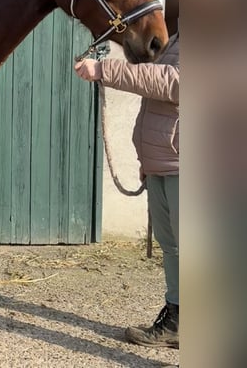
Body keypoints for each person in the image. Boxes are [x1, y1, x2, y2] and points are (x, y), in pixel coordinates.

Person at [73, 28, 179, 349]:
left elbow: (172, 83)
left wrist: (106, 70)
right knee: (172, 247)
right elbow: (154, 99)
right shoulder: (175, 39)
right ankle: (178, 320)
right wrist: (146, 156)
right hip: (164, 162)